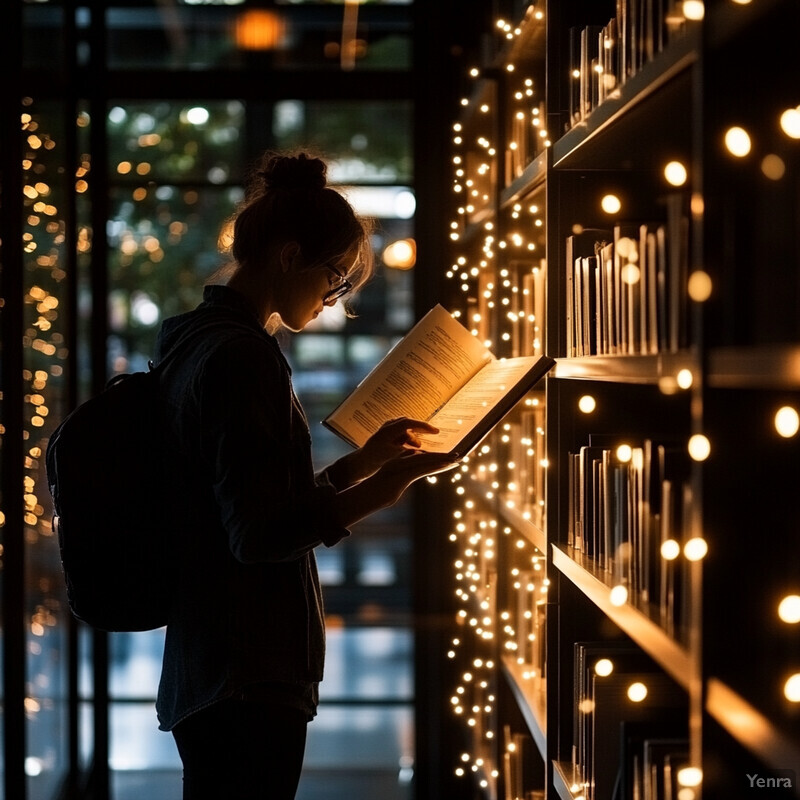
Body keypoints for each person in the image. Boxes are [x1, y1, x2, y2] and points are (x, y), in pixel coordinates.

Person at [153, 150, 454, 799]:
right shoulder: (242, 359)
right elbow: (258, 537)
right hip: (247, 675)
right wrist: (386, 487)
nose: (334, 299)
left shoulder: (198, 341)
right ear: (290, 257)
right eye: (336, 277)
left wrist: (361, 465)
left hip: (211, 664)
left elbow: (249, 507)